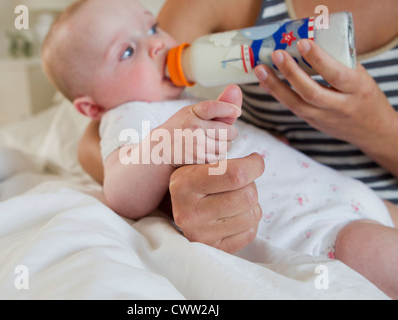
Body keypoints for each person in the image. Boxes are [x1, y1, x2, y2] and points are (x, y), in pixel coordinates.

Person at [42, 0, 398, 298]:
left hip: (350, 195)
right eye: (127, 51)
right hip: (321, 229)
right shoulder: (130, 115)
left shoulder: (187, 96)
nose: (157, 44)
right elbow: (121, 191)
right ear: (91, 109)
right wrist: (168, 144)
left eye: (152, 28)